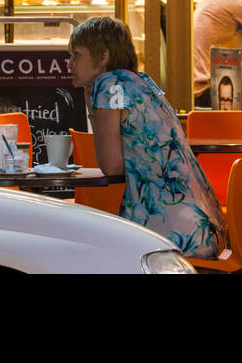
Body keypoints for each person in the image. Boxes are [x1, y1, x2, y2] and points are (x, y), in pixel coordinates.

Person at [69, 16, 225, 259]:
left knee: (85, 248)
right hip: (204, 224)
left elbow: (111, 166)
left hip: (172, 234)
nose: (69, 64)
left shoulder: (109, 86)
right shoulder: (143, 82)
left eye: (76, 55)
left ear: (103, 57)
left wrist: (91, 99)